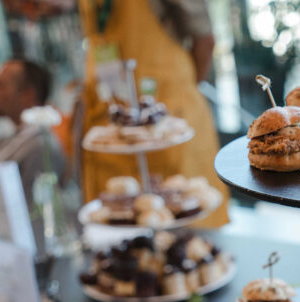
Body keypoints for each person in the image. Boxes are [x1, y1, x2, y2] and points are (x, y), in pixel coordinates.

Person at [78, 0, 229, 227]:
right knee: (118, 230)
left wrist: (181, 88)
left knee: (187, 226)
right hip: (107, 116)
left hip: (170, 115)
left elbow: (204, 39)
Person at [0, 58, 66, 198]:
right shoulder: (9, 139)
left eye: (0, 85)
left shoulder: (41, 146)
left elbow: (37, 212)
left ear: (28, 95)